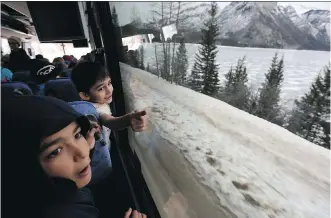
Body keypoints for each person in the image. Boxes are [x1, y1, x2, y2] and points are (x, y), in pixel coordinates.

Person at [2, 93, 147, 218]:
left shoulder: (53, 192)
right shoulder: (65, 213)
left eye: (77, 135)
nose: (82, 152)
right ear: (21, 166)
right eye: (55, 152)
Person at [71, 62, 147, 182]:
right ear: (85, 95)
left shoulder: (98, 103)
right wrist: (128, 119)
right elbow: (111, 122)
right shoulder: (93, 111)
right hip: (97, 168)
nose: (109, 90)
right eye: (101, 88)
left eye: (109, 83)